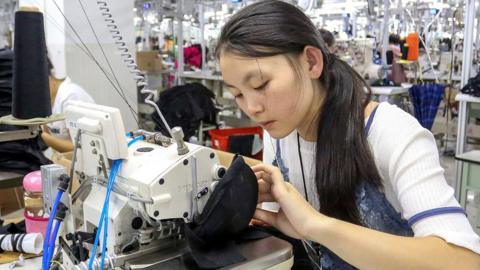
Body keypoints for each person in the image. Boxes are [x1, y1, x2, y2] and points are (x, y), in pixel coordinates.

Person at [216, 1, 480, 269]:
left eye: (260, 84)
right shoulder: (279, 133)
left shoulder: (389, 133)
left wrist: (315, 226)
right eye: (237, 94)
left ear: (311, 62)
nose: (252, 108)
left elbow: (463, 261)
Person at [41, 59, 94, 153]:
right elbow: (46, 132)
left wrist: (40, 136)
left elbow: (77, 147)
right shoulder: (45, 99)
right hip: (65, 159)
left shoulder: (70, 96)